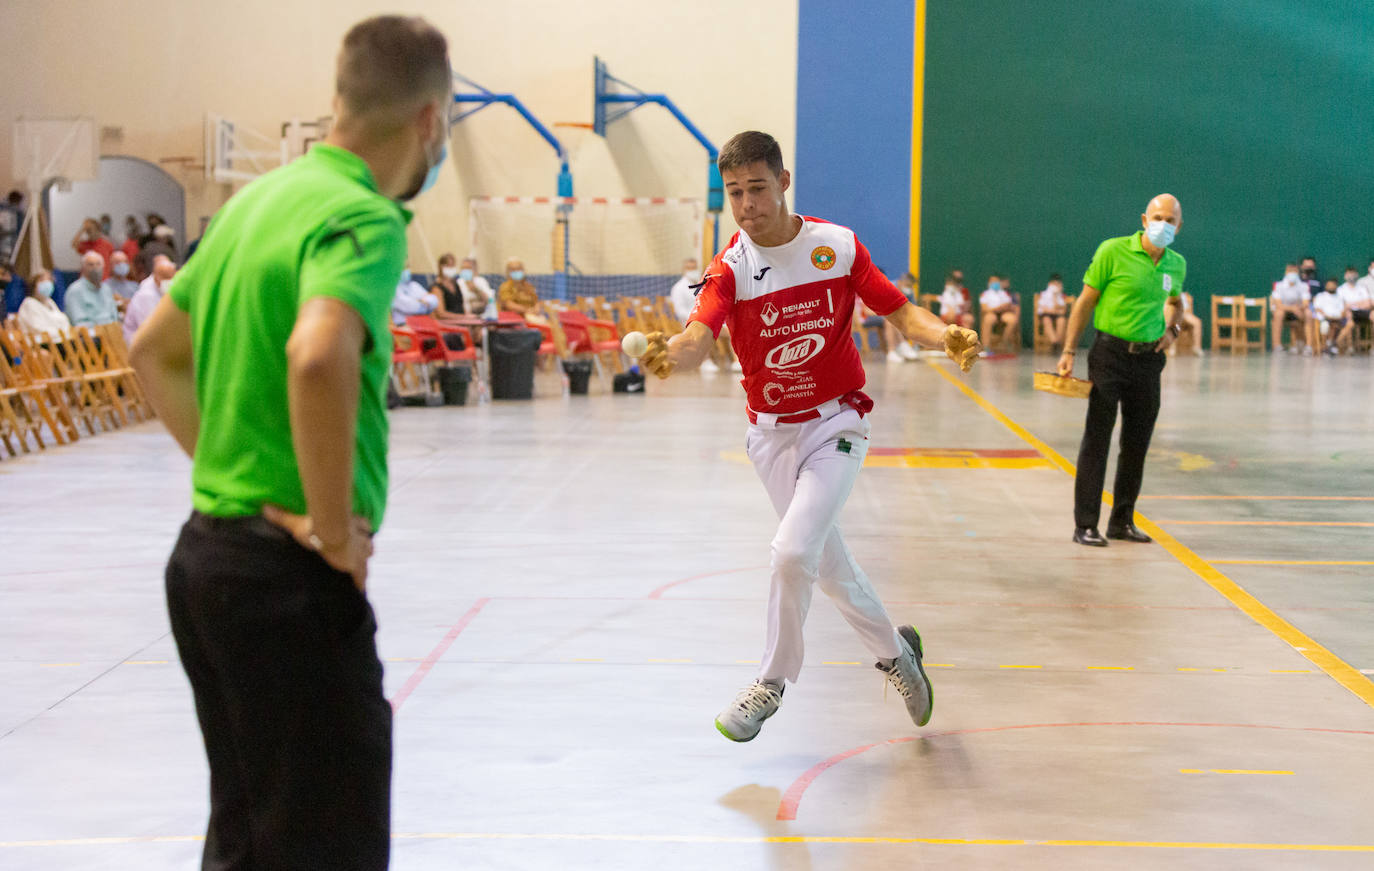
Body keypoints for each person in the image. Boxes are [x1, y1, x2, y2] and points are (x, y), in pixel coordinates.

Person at [128, 15, 451, 869]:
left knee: (249, 836)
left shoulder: (255, 202)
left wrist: (231, 471)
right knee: (326, 845)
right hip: (286, 586)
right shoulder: (364, 216)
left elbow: (152, 350)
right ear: (430, 120)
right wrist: (332, 524)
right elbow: (317, 354)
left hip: (206, 560)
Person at [631, 130, 981, 743]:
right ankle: (899, 654)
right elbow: (697, 337)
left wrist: (942, 335)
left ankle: (770, 682)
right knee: (827, 566)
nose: (747, 206)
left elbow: (900, 311)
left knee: (793, 552)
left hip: (836, 421)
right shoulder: (730, 269)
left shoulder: (836, 247)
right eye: (735, 193)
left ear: (784, 182)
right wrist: (673, 354)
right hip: (770, 437)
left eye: (758, 189)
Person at [1058, 193, 1185, 548]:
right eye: (1157, 217)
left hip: (1148, 361)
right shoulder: (1112, 251)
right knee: (1097, 438)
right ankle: (1085, 524)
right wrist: (1069, 350)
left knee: (1137, 443)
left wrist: (1172, 330)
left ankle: (1122, 521)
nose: (1163, 224)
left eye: (1170, 220)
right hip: (1109, 354)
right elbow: (1085, 302)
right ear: (1144, 219)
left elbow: (1176, 302)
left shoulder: (1175, 264)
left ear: (1179, 226)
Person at [123, 255, 176, 343]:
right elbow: (149, 329)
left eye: (171, 277)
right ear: (155, 278)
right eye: (165, 277)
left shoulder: (169, 288)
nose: (169, 281)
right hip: (141, 342)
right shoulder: (146, 295)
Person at [64, 251, 119, 326]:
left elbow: (115, 317)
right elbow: (79, 323)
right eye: (91, 265)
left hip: (112, 332)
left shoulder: (106, 289)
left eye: (98, 264)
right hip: (91, 335)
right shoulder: (75, 291)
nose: (95, 268)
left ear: (103, 267)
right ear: (83, 268)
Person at [17, 270, 72, 337]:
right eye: (42, 280)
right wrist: (59, 332)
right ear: (33, 285)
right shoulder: (29, 303)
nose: (46, 283)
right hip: (41, 343)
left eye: (49, 280)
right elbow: (38, 328)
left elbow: (64, 321)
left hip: (59, 340)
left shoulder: (50, 302)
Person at [1270, 263, 1310, 353]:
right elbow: (1278, 304)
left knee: (1308, 313)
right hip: (1284, 310)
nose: (1292, 273)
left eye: (1295, 271)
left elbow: (1306, 303)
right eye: (1290, 271)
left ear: (1298, 273)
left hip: (1298, 311)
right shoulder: (1278, 285)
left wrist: (1298, 308)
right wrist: (1292, 308)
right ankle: (1277, 346)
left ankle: (1308, 346)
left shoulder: (1303, 285)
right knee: (1279, 313)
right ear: (1286, 272)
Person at [979, 274, 1019, 351]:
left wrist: (1003, 307)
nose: (995, 283)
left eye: (996, 281)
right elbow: (984, 308)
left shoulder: (1004, 293)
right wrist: (995, 309)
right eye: (993, 281)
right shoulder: (985, 294)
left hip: (1003, 313)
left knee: (1012, 319)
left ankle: (1005, 341)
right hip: (991, 313)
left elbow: (1008, 304)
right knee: (988, 319)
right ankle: (986, 346)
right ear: (989, 283)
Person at [1337, 264, 1372, 351]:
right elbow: (1343, 306)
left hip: (1362, 312)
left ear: (1357, 275)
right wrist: (1359, 303)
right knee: (1349, 317)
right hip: (1348, 313)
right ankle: (1350, 346)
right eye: (1349, 274)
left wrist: (1352, 304)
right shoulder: (1341, 289)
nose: (1351, 276)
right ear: (1345, 276)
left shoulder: (1362, 288)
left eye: (1353, 274)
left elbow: (1368, 304)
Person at [1312, 278, 1349, 356]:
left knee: (1343, 324)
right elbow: (1317, 308)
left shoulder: (1340, 297)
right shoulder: (1320, 296)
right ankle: (1325, 346)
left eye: (1333, 285)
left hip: (1338, 319)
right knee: (1325, 325)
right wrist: (1327, 316)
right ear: (1326, 286)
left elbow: (1343, 310)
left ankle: (1332, 344)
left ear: (1336, 286)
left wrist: (1339, 317)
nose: (1331, 287)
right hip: (1324, 318)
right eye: (1329, 285)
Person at [1035, 274, 1069, 349]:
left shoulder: (1062, 296)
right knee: (1046, 320)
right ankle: (1054, 341)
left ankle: (1058, 342)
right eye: (1054, 284)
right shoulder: (1043, 294)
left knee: (1062, 321)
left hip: (1058, 315)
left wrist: (1055, 297)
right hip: (1046, 315)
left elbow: (1062, 309)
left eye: (1058, 284)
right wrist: (1052, 310)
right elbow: (1041, 308)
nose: (1055, 286)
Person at [669, 257, 701, 324]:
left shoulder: (700, 285)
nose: (692, 270)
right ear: (684, 270)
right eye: (689, 268)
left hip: (702, 321)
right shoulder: (678, 288)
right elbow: (680, 311)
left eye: (694, 268)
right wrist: (696, 319)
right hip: (688, 323)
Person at [1172, 291, 1204, 356]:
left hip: (1182, 315)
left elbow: (1185, 310)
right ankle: (1172, 348)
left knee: (1196, 322)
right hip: (1169, 316)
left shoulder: (1181, 295)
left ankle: (1196, 347)